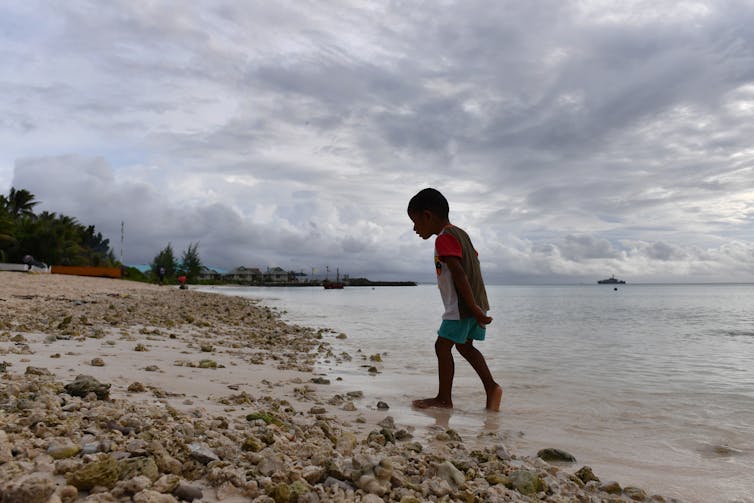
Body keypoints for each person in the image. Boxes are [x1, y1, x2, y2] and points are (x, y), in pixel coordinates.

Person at [407, 188, 502, 411]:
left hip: (463, 306)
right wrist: (478, 307)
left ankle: (444, 399)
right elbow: (474, 264)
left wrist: (471, 307)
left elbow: (459, 272)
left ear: (427, 216)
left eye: (415, 221)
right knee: (465, 347)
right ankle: (492, 388)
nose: (414, 228)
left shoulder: (443, 239)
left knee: (441, 347)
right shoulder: (462, 234)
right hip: (475, 303)